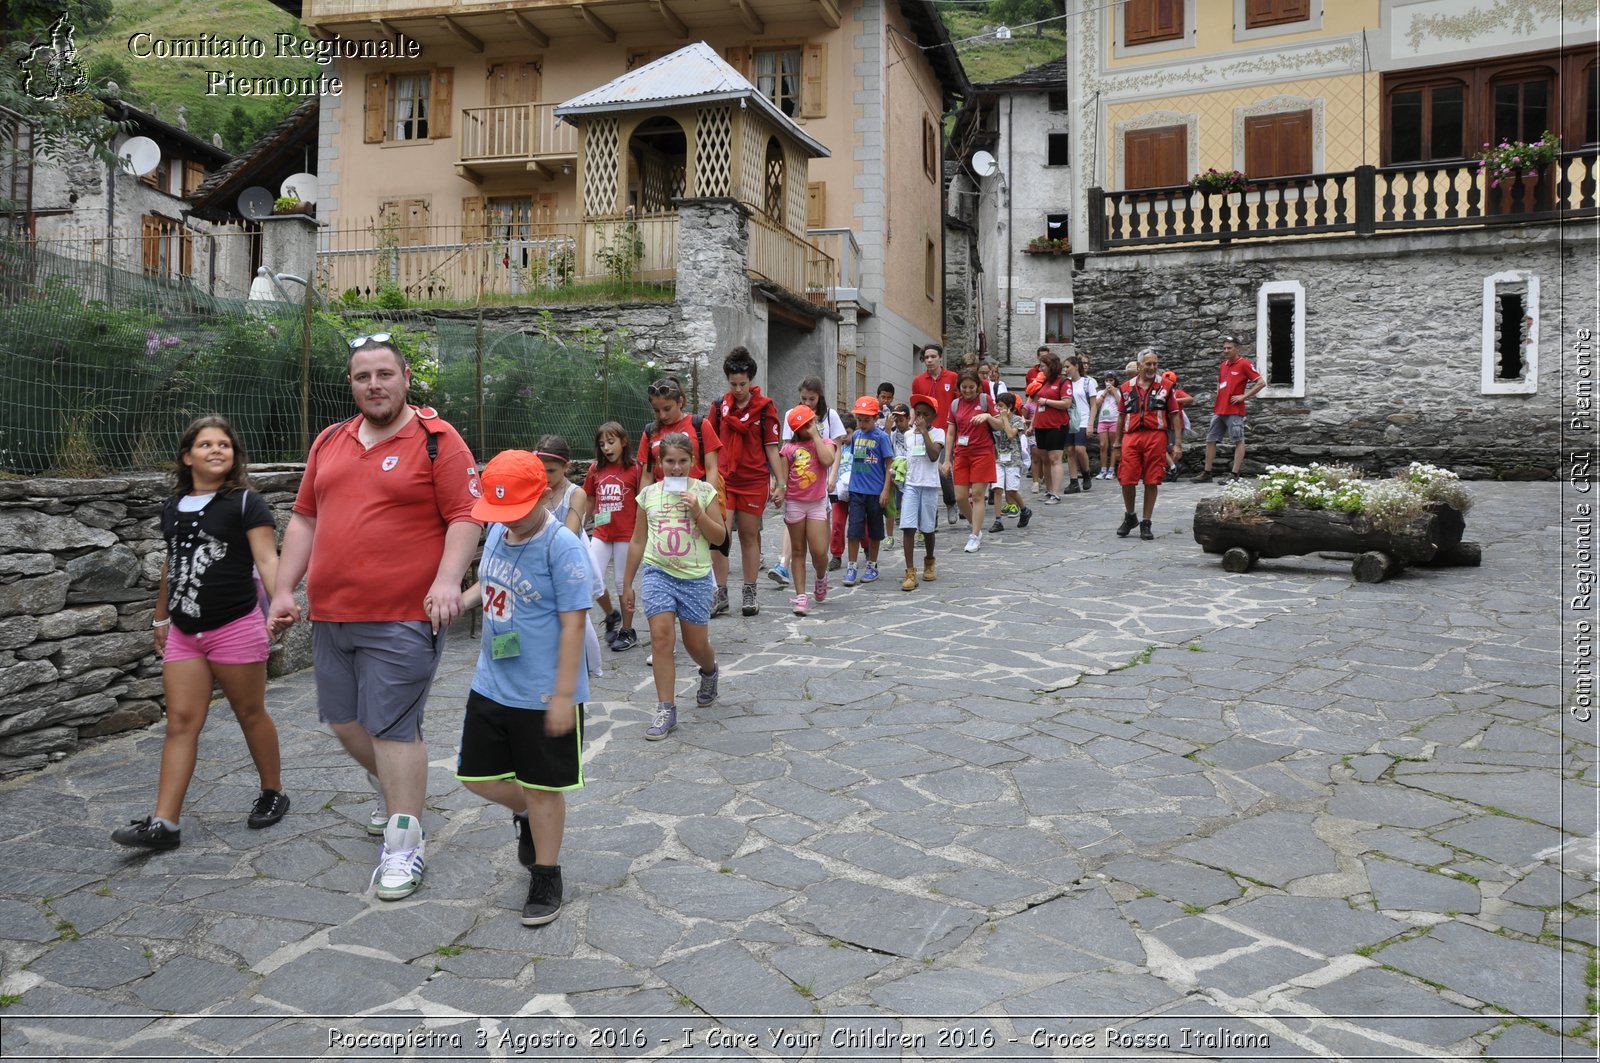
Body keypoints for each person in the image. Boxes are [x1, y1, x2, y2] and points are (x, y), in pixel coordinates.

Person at [269, 334, 481, 901]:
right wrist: (285, 588)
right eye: (364, 376)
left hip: (404, 615)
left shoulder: (438, 441)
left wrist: (445, 582)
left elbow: (465, 516)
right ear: (351, 384)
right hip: (333, 613)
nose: (375, 385)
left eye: (385, 374)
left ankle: (404, 847)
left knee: (392, 727)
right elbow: (305, 521)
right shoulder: (328, 442)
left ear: (406, 377)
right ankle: (395, 789)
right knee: (344, 722)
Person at [113, 416, 288, 851]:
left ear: (234, 455)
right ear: (187, 456)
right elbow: (172, 566)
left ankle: (272, 792)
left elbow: (267, 559)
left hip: (236, 625)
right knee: (181, 723)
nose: (216, 450)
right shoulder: (172, 507)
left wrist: (280, 601)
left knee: (250, 713)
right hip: (185, 632)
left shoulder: (247, 503)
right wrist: (160, 618)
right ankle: (165, 824)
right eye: (206, 444)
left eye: (224, 445)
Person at [454, 450, 587, 927]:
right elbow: (488, 583)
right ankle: (530, 815)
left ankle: (546, 875)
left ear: (547, 495)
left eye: (516, 510)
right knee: (473, 775)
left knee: (545, 787)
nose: (506, 520)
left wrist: (563, 695)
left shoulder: (562, 547)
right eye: (499, 511)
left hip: (542, 690)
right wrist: (460, 599)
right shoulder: (496, 531)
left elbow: (574, 626)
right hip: (492, 679)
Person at [623, 432, 726, 740]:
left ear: (693, 462)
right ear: (660, 463)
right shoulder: (648, 495)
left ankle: (709, 670)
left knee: (696, 646)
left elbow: (720, 538)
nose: (677, 468)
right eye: (670, 461)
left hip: (694, 577)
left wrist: (696, 510)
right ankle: (666, 708)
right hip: (658, 573)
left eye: (683, 461)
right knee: (661, 639)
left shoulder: (705, 491)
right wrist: (627, 583)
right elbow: (638, 539)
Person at [634, 377, 724, 612]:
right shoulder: (650, 432)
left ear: (680, 401)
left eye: (667, 408)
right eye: (656, 410)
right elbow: (647, 473)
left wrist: (707, 499)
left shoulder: (698, 425)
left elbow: (712, 466)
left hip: (694, 498)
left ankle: (711, 592)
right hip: (663, 504)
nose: (662, 415)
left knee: (701, 547)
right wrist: (642, 505)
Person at [705, 348, 783, 617]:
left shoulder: (765, 408)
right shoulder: (718, 408)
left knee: (750, 537)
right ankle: (721, 592)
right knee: (720, 537)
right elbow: (710, 447)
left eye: (743, 384)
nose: (738, 389)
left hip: (753, 481)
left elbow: (772, 448)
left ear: (751, 380)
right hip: (724, 482)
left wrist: (780, 483)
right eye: (733, 384)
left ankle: (750, 591)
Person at [536, 436, 604, 677]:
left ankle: (580, 670)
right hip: (538, 564)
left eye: (551, 471)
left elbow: (570, 532)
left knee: (574, 621)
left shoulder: (576, 494)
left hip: (568, 564)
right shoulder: (535, 488)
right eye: (540, 470)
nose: (545, 477)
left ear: (567, 467)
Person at [771, 377, 848, 585]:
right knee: (793, 521)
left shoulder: (829, 416)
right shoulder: (792, 415)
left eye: (811, 399)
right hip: (798, 481)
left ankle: (820, 570)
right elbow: (787, 448)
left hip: (822, 479)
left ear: (819, 396)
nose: (807, 403)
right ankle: (784, 563)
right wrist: (781, 484)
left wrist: (833, 475)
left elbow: (837, 447)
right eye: (803, 398)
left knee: (819, 540)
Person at [1113, 348, 1184, 541]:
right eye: (1148, 364)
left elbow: (1174, 415)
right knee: (1126, 478)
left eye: (1155, 364)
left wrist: (1177, 444)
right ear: (1139, 366)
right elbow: (1120, 416)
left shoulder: (1167, 387)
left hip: (1156, 436)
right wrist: (1117, 443)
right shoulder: (1126, 387)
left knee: (1152, 479)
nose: (1152, 367)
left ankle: (1146, 521)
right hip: (1132, 436)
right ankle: (1130, 516)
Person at [583, 422, 641, 651]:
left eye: (611, 442)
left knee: (621, 583)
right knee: (590, 576)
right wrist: (580, 524)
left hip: (626, 535)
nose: (606, 448)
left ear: (623, 441)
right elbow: (589, 498)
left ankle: (628, 631)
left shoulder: (636, 469)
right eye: (602, 444)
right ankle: (611, 615)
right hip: (601, 532)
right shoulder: (595, 469)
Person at [776, 404, 837, 616]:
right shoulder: (788, 449)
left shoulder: (826, 443)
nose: (808, 427)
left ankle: (821, 577)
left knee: (819, 551)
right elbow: (782, 479)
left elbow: (827, 460)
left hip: (817, 502)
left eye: (811, 422)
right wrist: (779, 492)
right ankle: (801, 596)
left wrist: (816, 437)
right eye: (803, 426)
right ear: (795, 429)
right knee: (799, 550)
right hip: (795, 503)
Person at [942, 369, 999, 554]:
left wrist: (988, 416)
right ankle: (976, 525)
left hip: (983, 453)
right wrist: (947, 459)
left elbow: (1000, 425)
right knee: (960, 497)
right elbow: (951, 433)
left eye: (971, 387)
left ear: (978, 387)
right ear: (959, 387)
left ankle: (974, 536)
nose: (967, 391)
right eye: (964, 387)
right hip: (962, 454)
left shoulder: (985, 401)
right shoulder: (955, 404)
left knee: (977, 496)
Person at [1197, 335, 1266, 484]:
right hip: (1219, 410)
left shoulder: (1245, 364)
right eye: (1224, 348)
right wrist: (1219, 394)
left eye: (1229, 348)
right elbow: (1220, 383)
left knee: (1238, 440)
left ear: (1237, 349)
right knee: (1210, 439)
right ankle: (1207, 472)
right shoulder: (1223, 365)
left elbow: (1261, 383)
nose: (1226, 351)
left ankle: (1234, 474)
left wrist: (1244, 396)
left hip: (1234, 410)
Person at [841, 396, 894, 587]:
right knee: (854, 530)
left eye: (866, 420)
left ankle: (872, 565)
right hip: (856, 491)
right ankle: (852, 566)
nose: (862, 424)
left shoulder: (882, 438)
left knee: (874, 530)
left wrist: (886, 490)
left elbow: (889, 464)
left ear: (875, 418)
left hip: (875, 492)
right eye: (859, 420)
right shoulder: (855, 436)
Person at [910, 343, 960, 524]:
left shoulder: (952, 377)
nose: (929, 360)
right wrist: (912, 423)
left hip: (946, 432)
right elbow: (915, 406)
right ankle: (932, 515)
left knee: (942, 471)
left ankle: (950, 503)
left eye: (933, 356)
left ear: (940, 357)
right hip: (924, 430)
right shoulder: (918, 381)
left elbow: (958, 405)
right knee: (924, 471)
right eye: (926, 357)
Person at [898, 396, 944, 590]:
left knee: (927, 528)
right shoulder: (908, 435)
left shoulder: (939, 433)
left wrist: (925, 432)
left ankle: (929, 560)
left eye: (926, 414)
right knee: (908, 527)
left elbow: (934, 456)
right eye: (919, 414)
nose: (921, 418)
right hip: (911, 485)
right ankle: (910, 571)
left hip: (929, 485)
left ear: (934, 416)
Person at [987, 391, 1032, 534]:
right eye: (997, 406)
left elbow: (1011, 435)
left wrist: (1005, 419)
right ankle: (998, 520)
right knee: (998, 489)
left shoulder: (1018, 420)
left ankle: (1024, 510)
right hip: (999, 459)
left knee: (1012, 490)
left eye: (1001, 406)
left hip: (1013, 459)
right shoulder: (995, 418)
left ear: (1010, 406)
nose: (998, 409)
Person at [1031, 352, 1072, 504]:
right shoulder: (1045, 383)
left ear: (1051, 366)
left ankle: (1056, 493)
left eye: (1043, 366)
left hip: (1056, 425)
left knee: (1055, 459)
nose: (1040, 369)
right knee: (1045, 459)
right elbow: (1037, 405)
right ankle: (1049, 491)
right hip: (1041, 425)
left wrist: (1047, 401)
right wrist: (1032, 425)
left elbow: (1066, 403)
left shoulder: (1063, 382)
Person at [1063, 355, 1097, 493]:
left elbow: (1093, 405)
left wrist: (1090, 423)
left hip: (1083, 419)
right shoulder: (1066, 383)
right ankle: (1073, 482)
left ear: (1076, 366)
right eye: (1064, 367)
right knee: (1070, 450)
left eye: (1068, 367)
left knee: (1079, 449)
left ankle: (1086, 473)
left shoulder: (1087, 382)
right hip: (1070, 420)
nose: (1066, 370)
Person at [1091, 372, 1121, 480]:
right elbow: (1096, 405)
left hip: (1114, 420)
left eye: (1111, 380)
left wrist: (1114, 392)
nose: (1109, 383)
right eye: (1107, 380)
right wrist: (1104, 393)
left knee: (1113, 446)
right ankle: (1103, 469)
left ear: (1115, 381)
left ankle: (1111, 470)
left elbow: (1121, 404)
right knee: (1103, 445)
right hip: (1103, 421)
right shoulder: (1100, 392)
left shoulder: (1118, 392)